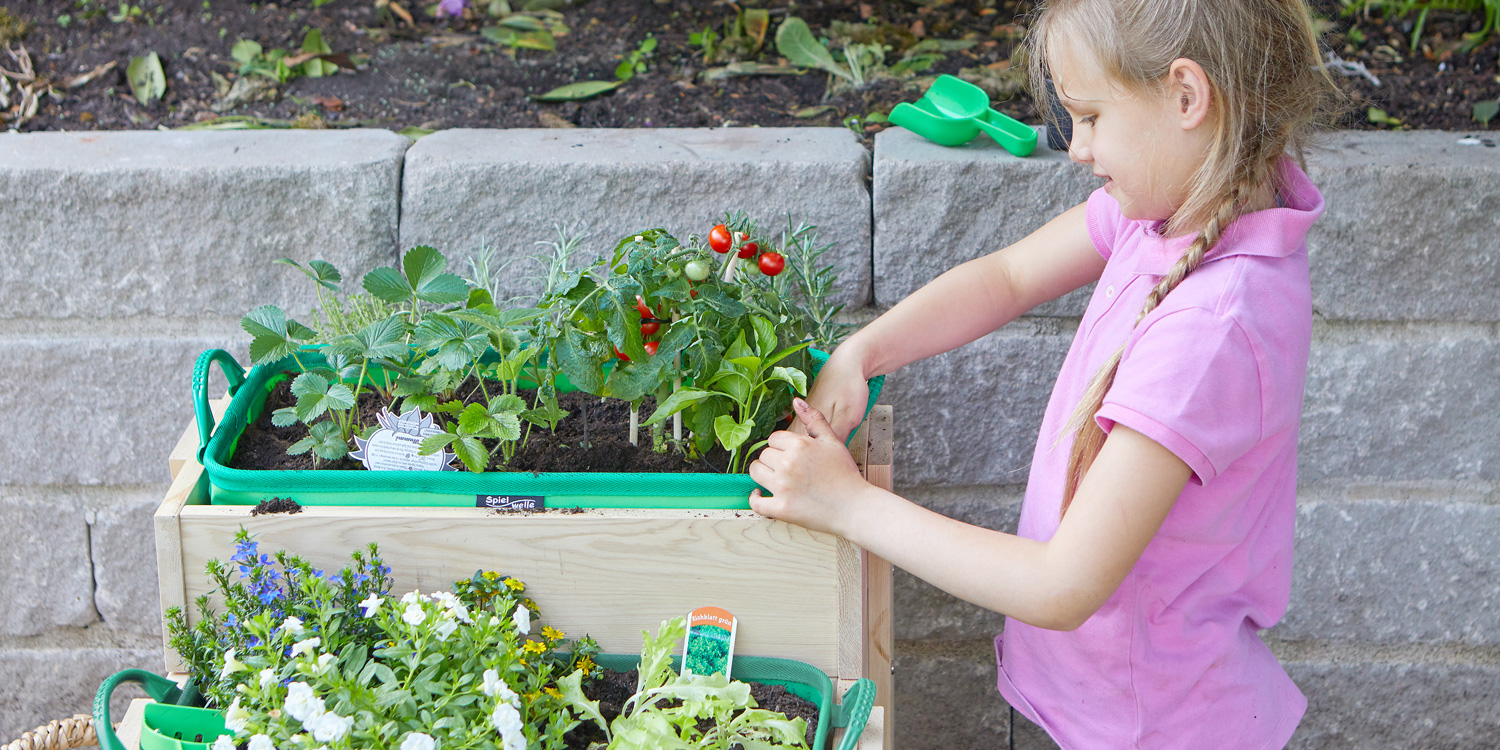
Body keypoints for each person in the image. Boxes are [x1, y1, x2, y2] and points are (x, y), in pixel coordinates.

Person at [746, 0, 1342, 746]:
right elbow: (1007, 277)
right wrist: (863, 351)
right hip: (1122, 706)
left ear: (1187, 96)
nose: (1077, 149)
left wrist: (847, 505)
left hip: (1155, 725)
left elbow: (1062, 585)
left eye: (1089, 116)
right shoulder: (1175, 209)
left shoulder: (1212, 329)